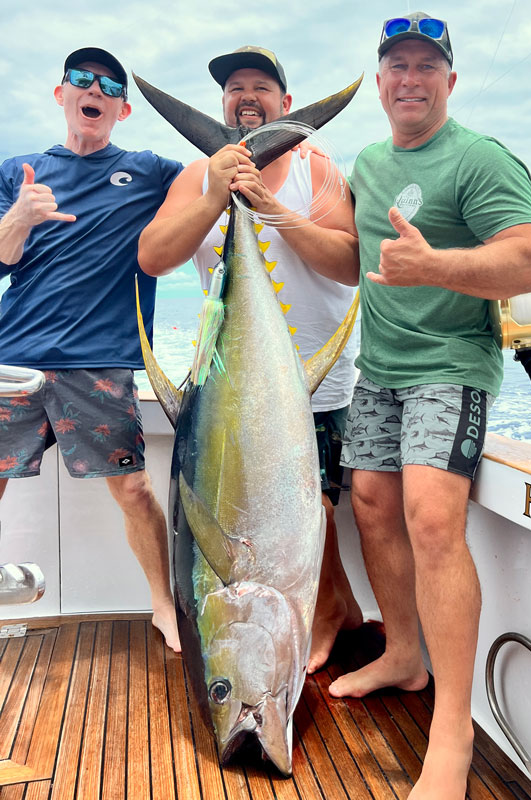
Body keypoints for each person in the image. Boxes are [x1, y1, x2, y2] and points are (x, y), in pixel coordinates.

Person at [328, 13, 531, 800]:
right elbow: (356, 261)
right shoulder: (367, 160)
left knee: (429, 517)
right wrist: (278, 215)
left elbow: (528, 264)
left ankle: (452, 729)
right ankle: (402, 655)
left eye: (427, 66)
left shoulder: (480, 158)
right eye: (397, 66)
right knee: (371, 504)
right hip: (378, 368)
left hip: (451, 367)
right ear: (381, 81)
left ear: (449, 82)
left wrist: (436, 267)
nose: (411, 79)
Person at [137, 45, 363, 671]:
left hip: (314, 377)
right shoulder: (196, 175)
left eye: (261, 87)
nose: (247, 97)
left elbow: (348, 264)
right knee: (273, 507)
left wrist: (268, 205)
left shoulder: (318, 168)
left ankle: (329, 609)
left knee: (313, 507)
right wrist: (216, 192)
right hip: (231, 385)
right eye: (235, 88)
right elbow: (152, 256)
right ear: (222, 104)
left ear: (286, 105)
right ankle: (333, 608)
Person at [0, 47, 183, 652]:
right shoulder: (17, 171)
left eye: (108, 85)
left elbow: (213, 185)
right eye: (81, 79)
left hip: (100, 362)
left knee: (133, 489)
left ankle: (164, 605)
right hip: (15, 359)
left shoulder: (150, 170)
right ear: (61, 95)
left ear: (123, 109)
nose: (94, 89)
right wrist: (21, 216)